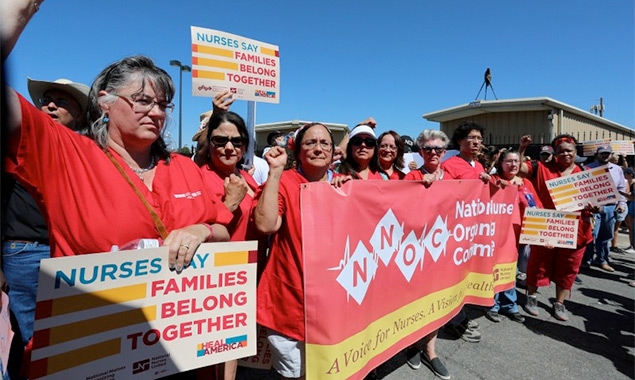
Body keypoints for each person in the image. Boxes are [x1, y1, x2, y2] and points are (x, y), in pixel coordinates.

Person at [1, 77, 89, 375]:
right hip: (26, 253)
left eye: (62, 101)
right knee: (37, 344)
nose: (50, 105)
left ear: (79, 115)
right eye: (46, 100)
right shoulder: (19, 147)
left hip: (73, 257)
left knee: (68, 342)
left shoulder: (90, 154)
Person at [253, 122, 343, 379]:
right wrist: (275, 172)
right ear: (298, 150)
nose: (318, 148)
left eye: (324, 143)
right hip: (289, 304)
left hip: (334, 305)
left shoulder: (347, 185)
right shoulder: (283, 181)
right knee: (295, 373)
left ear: (333, 150)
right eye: (310, 143)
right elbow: (266, 224)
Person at [518, 134, 593, 321]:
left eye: (569, 150)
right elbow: (517, 168)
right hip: (547, 226)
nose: (565, 154)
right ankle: (531, 296)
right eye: (561, 151)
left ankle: (559, 303)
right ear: (555, 153)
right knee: (538, 264)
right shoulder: (541, 167)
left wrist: (594, 206)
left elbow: (596, 202)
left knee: (568, 268)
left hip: (577, 231)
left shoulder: (585, 173)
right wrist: (522, 149)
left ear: (576, 152)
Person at [402, 129, 452, 380]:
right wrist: (418, 189)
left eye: (438, 149)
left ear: (444, 151)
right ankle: (412, 345)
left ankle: (430, 350)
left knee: (438, 300)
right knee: (416, 300)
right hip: (417, 251)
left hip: (445, 251)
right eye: (427, 149)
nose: (433, 153)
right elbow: (399, 211)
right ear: (420, 152)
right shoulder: (411, 175)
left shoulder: (453, 177)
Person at [486, 150, 542, 324]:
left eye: (516, 161)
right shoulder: (493, 181)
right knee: (496, 269)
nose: (513, 165)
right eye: (508, 161)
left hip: (520, 235)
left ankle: (510, 305)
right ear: (501, 163)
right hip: (497, 234)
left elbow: (537, 208)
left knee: (512, 271)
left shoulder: (526, 183)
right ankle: (492, 305)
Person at [582, 145, 627, 271]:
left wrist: (621, 204)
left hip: (609, 207)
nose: (605, 155)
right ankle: (586, 259)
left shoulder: (617, 169)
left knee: (606, 235)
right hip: (592, 208)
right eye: (602, 153)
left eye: (607, 153)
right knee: (591, 234)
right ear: (597, 154)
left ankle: (602, 260)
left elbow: (621, 189)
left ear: (611, 155)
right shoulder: (587, 168)